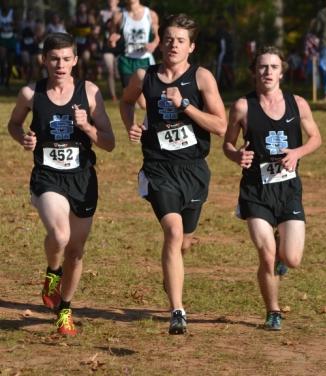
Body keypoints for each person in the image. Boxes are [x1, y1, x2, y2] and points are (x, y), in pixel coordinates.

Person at [119, 13, 227, 334]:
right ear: (160, 42)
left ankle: (172, 275)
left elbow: (220, 126)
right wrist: (132, 127)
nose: (173, 45)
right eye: (168, 39)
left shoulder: (202, 78)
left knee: (184, 243)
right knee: (173, 232)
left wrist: (185, 107)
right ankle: (177, 311)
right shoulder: (144, 76)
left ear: (191, 47)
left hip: (193, 170)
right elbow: (126, 103)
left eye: (180, 40)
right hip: (158, 168)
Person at [7, 32, 115, 336]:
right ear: (44, 60)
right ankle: (53, 271)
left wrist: (87, 127)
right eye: (54, 58)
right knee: (60, 233)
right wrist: (23, 139)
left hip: (82, 178)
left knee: (77, 251)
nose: (60, 64)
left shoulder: (90, 92)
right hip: (47, 176)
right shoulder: (31, 93)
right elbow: (14, 124)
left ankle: (65, 309)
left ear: (76, 61)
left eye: (67, 58)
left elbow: (109, 143)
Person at [223, 46, 321, 331]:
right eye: (262, 67)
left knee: (292, 258)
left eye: (273, 67)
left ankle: (282, 248)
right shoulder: (243, 106)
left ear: (282, 71)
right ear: (255, 71)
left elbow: (316, 138)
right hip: (255, 190)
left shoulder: (298, 103)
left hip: (288, 189)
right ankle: (273, 311)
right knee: (266, 255)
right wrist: (237, 154)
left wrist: (297, 153)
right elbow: (227, 144)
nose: (267, 72)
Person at [109, 0, 159, 108]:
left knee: (145, 102)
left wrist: (153, 45)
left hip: (145, 59)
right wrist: (112, 40)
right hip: (126, 61)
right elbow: (112, 37)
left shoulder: (150, 14)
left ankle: (150, 122)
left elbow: (158, 36)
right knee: (129, 98)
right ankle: (132, 125)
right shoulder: (119, 16)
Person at [99, 0, 121, 101]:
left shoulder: (123, 12)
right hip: (106, 45)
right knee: (110, 71)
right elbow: (98, 28)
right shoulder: (102, 13)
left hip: (119, 45)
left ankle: (125, 92)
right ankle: (113, 95)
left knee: (118, 73)